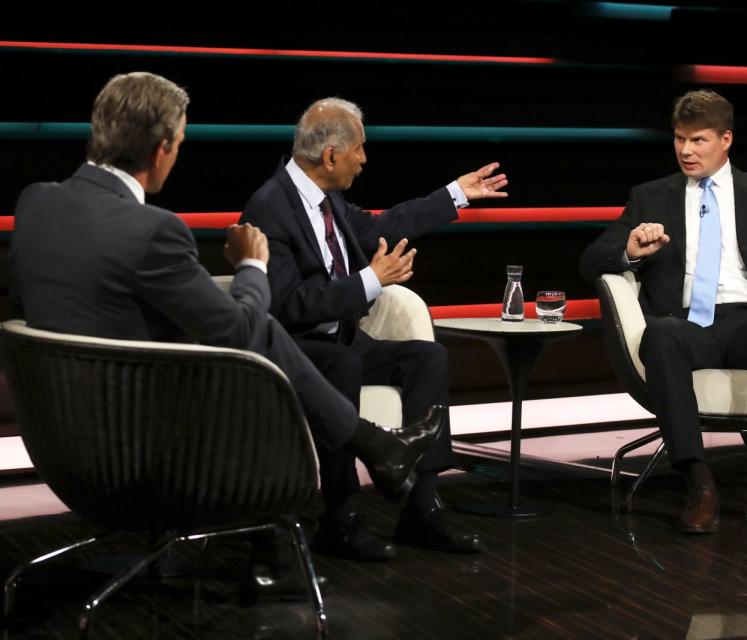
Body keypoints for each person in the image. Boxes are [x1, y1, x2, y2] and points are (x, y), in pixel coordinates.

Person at [9, 72, 444, 599]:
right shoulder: (154, 232)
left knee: (260, 349)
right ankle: (355, 468)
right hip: (139, 446)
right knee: (258, 354)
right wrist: (252, 267)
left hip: (58, 436)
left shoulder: (34, 204)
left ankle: (309, 519)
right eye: (182, 144)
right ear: (163, 149)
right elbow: (242, 328)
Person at [240, 98, 507, 559]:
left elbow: (385, 224)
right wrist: (371, 280)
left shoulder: (329, 200)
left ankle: (421, 511)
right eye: (359, 150)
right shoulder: (270, 206)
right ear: (330, 157)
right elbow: (287, 305)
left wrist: (455, 194)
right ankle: (338, 521)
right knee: (342, 362)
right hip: (295, 350)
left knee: (427, 357)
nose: (364, 160)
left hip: (341, 339)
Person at [580, 89, 747, 538]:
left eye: (698, 140)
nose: (686, 150)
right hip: (687, 324)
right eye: (679, 139)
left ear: (726, 139)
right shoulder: (651, 197)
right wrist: (628, 250)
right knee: (661, 335)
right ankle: (699, 486)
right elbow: (591, 260)